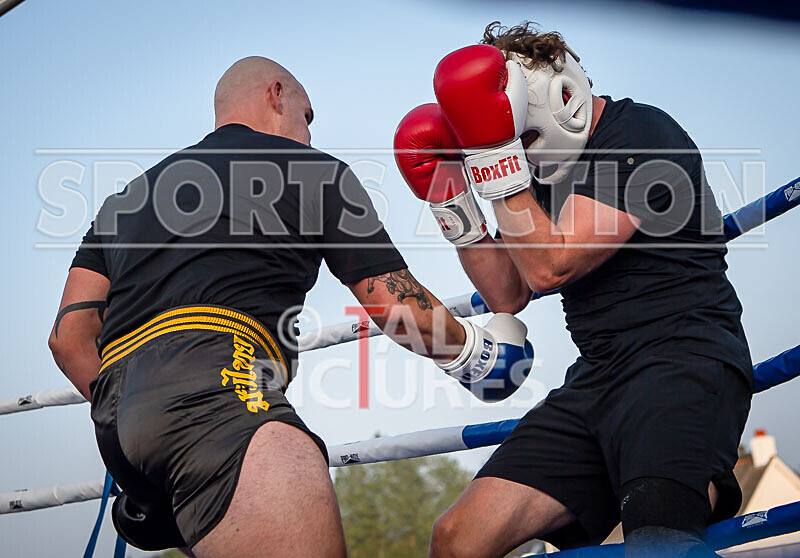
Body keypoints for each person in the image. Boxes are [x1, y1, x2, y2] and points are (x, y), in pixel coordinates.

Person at [47, 56, 535, 558]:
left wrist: (138, 410)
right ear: (276, 95)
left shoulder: (125, 199)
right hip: (222, 402)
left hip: (120, 424)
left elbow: (69, 339)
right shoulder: (311, 169)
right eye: (308, 116)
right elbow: (392, 303)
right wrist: (478, 358)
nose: (308, 134)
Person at [395, 22, 752, 558]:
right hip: (595, 380)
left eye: (521, 137)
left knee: (660, 539)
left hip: (680, 362)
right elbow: (510, 293)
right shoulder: (536, 178)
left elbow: (552, 267)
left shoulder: (641, 134)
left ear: (559, 95)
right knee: (457, 540)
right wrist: (451, 196)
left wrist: (494, 159)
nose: (520, 152)